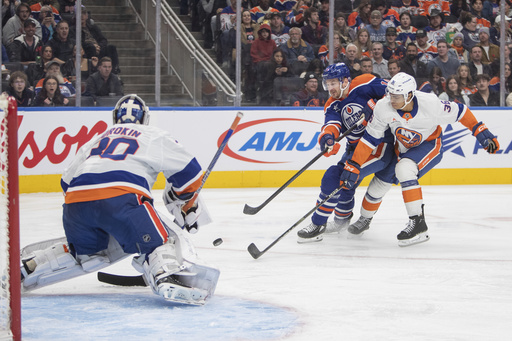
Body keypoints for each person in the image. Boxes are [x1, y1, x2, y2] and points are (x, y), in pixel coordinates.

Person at [20, 94, 220, 305]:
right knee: (162, 239)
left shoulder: (97, 138)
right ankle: (165, 273)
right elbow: (190, 173)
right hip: (123, 199)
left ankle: (29, 267)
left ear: (115, 117)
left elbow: (66, 183)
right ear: (145, 118)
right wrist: (186, 204)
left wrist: (97, 213)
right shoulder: (153, 135)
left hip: (75, 205)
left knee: (85, 254)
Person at [339, 72, 499, 246]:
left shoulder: (430, 104)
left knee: (404, 170)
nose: (392, 100)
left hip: (429, 144)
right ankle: (365, 219)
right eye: (390, 95)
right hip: (402, 148)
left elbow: (461, 112)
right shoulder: (383, 107)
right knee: (379, 183)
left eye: (397, 96)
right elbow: (370, 139)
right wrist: (354, 164)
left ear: (409, 95)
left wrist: (480, 131)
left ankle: (418, 224)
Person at [296, 63, 396, 243]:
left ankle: (318, 224)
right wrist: (328, 138)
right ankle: (342, 221)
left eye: (334, 83)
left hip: (379, 147)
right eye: (327, 84)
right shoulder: (332, 104)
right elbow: (332, 125)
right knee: (344, 182)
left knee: (339, 177)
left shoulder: (364, 83)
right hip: (355, 148)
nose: (330, 88)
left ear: (345, 81)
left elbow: (395, 93)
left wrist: (377, 105)